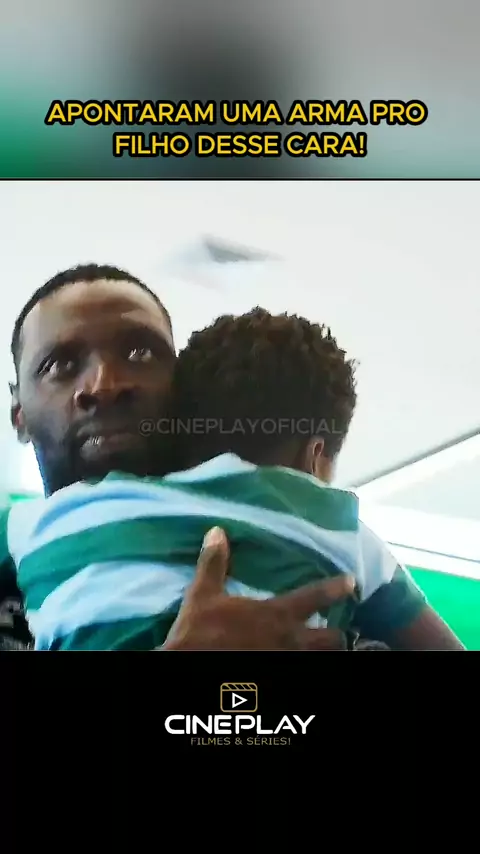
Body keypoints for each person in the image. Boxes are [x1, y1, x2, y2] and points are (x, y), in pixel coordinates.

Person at [2, 267, 464, 650]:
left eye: (140, 353)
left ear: (182, 387)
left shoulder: (334, 602)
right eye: (59, 365)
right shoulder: (15, 545)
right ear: (19, 415)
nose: (105, 384)